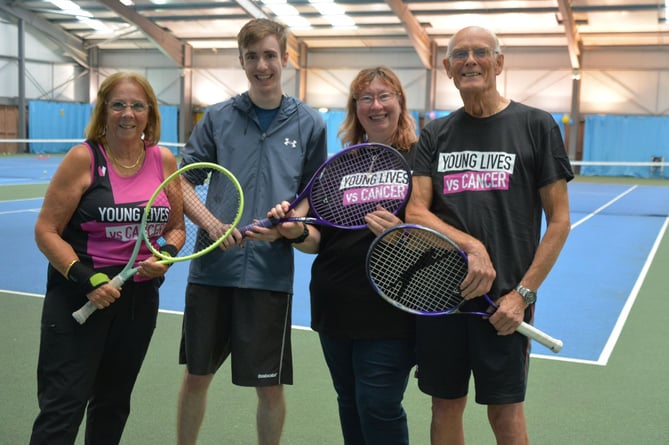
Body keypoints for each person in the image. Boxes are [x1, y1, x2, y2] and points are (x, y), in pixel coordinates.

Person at [405, 26, 573, 445]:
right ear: (447, 68)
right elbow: (415, 210)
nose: (470, 61)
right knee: (444, 405)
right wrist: (470, 244)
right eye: (460, 55)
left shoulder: (536, 125)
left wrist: (522, 295)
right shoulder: (435, 134)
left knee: (505, 411)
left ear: (499, 62)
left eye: (481, 52)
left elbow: (559, 220)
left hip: (503, 304)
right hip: (441, 298)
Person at [175, 18, 327, 445]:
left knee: (270, 386)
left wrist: (286, 227)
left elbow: (311, 195)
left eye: (269, 56)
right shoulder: (219, 118)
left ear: (285, 58)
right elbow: (182, 181)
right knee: (197, 376)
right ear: (242, 61)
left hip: (269, 275)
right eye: (252, 57)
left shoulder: (310, 123)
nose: (262, 66)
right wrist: (211, 225)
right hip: (211, 271)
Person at [30, 72, 184, 444]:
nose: (127, 114)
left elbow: (176, 228)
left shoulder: (163, 160)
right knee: (62, 408)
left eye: (137, 105)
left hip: (138, 303)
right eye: (118, 105)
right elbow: (46, 230)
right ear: (103, 110)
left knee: (113, 405)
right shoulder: (83, 158)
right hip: (78, 297)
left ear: (150, 113)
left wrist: (165, 256)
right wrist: (86, 279)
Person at [270, 66, 417, 444]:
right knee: (350, 402)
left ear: (400, 102)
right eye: (365, 97)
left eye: (385, 95)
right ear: (355, 108)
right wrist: (295, 231)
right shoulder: (339, 165)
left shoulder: (419, 161)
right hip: (334, 307)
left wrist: (401, 238)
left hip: (389, 309)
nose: (376, 105)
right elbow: (318, 240)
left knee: (378, 404)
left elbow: (438, 236)